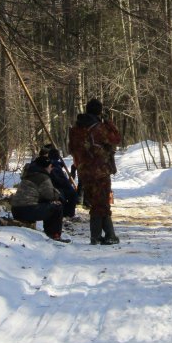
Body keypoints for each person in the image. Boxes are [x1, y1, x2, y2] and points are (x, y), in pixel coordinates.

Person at [68, 98, 121, 245]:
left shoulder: (75, 129)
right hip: (100, 170)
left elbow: (71, 149)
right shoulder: (99, 128)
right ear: (99, 111)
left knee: (96, 202)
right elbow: (116, 138)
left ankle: (106, 235)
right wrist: (109, 123)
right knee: (102, 203)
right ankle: (100, 236)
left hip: (83, 171)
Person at [10, 155, 67, 242]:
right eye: (51, 166)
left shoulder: (29, 173)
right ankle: (54, 235)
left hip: (16, 210)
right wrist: (59, 193)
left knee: (48, 205)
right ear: (47, 166)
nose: (51, 169)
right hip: (27, 210)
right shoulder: (43, 177)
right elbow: (50, 195)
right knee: (57, 206)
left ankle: (50, 234)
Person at [43, 145, 79, 218]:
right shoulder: (52, 164)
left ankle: (68, 213)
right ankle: (68, 213)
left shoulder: (53, 163)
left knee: (72, 195)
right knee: (72, 195)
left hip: (61, 186)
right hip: (59, 187)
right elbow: (58, 178)